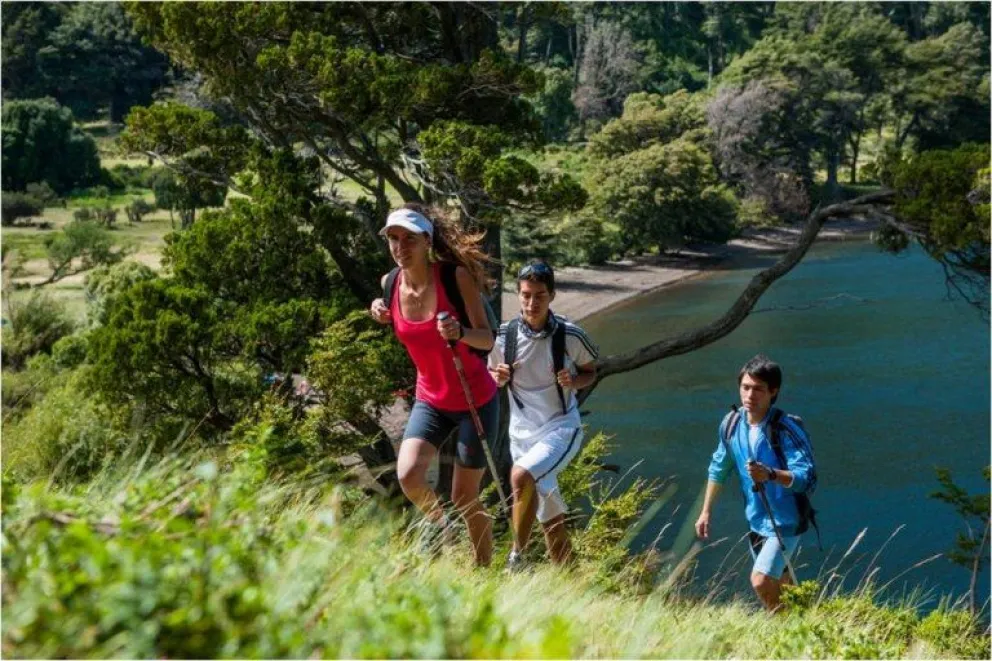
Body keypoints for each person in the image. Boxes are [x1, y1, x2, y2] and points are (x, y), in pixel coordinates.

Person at [369, 204, 498, 566]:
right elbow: (393, 315)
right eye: (393, 238)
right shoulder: (390, 283)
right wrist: (379, 310)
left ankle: (483, 569)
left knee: (465, 497)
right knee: (409, 475)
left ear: (427, 240)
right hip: (431, 399)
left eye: (409, 238)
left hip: (475, 399)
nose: (399, 246)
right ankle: (444, 528)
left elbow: (487, 340)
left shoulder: (455, 278)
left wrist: (460, 333)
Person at [489, 261, 599, 570]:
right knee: (551, 522)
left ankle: (516, 559)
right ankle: (571, 582)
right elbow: (491, 376)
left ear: (551, 295)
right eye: (525, 295)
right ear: (518, 295)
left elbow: (591, 371)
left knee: (520, 476)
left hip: (561, 430)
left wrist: (573, 380)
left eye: (539, 295)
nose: (531, 303)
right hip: (521, 436)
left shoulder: (571, 335)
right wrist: (498, 377)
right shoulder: (504, 337)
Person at [695, 354, 816, 611]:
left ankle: (786, 633)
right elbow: (719, 468)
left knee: (761, 581)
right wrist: (705, 511)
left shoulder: (785, 429)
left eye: (759, 389)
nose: (750, 395)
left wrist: (771, 474)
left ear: (774, 392)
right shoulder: (731, 424)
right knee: (784, 586)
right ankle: (813, 627)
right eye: (745, 387)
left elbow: (806, 477)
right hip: (756, 521)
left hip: (786, 522)